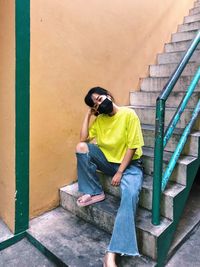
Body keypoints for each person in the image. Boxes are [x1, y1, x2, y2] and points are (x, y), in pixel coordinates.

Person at [75, 87, 144, 267]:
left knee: (129, 196)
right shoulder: (101, 120)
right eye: (95, 103)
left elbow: (133, 146)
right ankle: (95, 192)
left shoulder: (129, 114)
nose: (99, 103)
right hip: (108, 162)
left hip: (129, 167)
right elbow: (83, 139)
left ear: (108, 95)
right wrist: (88, 115)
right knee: (81, 147)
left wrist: (120, 171)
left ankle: (111, 254)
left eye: (99, 98)